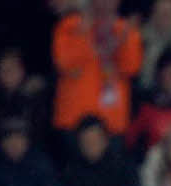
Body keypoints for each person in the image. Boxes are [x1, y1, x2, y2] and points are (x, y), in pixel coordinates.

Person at [51, 0, 143, 136]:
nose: (105, 3)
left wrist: (123, 40)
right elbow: (64, 62)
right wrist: (84, 34)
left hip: (111, 121)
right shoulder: (70, 25)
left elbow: (131, 68)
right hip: (74, 119)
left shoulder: (125, 29)